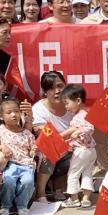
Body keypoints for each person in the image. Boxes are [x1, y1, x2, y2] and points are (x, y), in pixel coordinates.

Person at [0, 98, 36, 215]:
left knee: (28, 182)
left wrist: (33, 151)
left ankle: (22, 206)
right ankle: (6, 206)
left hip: (26, 164)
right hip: (10, 164)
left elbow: (31, 150)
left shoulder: (26, 132)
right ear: (1, 116)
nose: (14, 115)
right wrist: (2, 147)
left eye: (16, 111)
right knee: (8, 181)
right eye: (9, 112)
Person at [31, 71, 73, 202]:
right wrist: (66, 143)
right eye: (51, 88)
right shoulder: (38, 109)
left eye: (60, 86)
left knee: (86, 150)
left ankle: (59, 188)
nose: (57, 91)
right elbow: (46, 136)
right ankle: (40, 192)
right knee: (50, 148)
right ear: (45, 92)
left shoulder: (73, 105)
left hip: (71, 148)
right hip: (47, 151)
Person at [60, 84, 99, 208]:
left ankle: (74, 199)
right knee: (87, 173)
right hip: (91, 151)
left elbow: (89, 128)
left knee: (73, 174)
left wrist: (78, 131)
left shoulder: (80, 116)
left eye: (67, 103)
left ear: (78, 100)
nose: (66, 107)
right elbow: (76, 130)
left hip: (81, 151)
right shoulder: (84, 115)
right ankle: (86, 199)